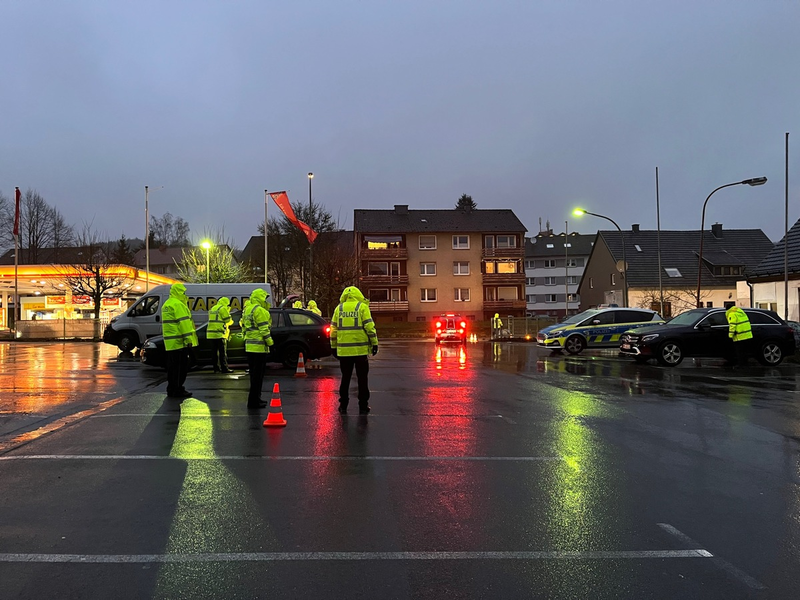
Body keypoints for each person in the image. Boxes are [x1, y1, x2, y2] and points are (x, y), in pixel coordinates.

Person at [330, 286, 378, 414]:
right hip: (360, 351)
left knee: (345, 378)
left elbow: (333, 330)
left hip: (344, 352)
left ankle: (343, 405)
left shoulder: (338, 308)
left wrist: (333, 347)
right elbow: (370, 327)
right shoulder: (362, 307)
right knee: (362, 379)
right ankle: (363, 406)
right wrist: (374, 343)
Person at [161, 283, 198, 398]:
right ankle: (177, 390)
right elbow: (184, 323)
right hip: (179, 343)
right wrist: (188, 340)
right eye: (183, 292)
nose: (185, 295)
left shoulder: (167, 304)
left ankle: (172, 389)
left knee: (172, 369)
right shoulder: (178, 305)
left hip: (170, 343)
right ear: (179, 292)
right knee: (180, 369)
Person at [242, 288, 274, 408]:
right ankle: (254, 401)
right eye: (264, 298)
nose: (266, 300)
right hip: (259, 348)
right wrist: (270, 343)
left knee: (253, 376)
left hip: (249, 347)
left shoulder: (248, 309)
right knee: (258, 376)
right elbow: (264, 329)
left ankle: (254, 399)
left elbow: (244, 327)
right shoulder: (260, 310)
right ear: (260, 298)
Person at [207, 297, 234, 373]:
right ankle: (224, 368)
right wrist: (228, 312)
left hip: (210, 334)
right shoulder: (222, 309)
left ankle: (216, 368)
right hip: (219, 333)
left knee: (214, 353)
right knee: (222, 353)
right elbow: (228, 321)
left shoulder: (213, 308)